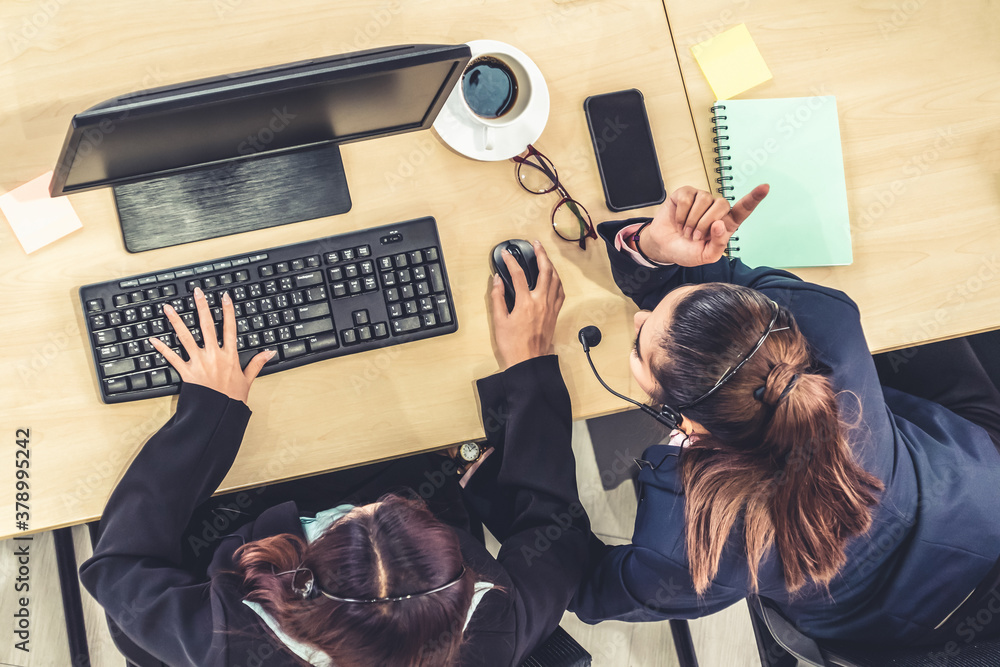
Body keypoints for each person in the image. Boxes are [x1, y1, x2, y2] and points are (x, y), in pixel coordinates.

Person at [80, 242, 589, 666]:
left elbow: (121, 567)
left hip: (238, 522)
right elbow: (558, 533)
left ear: (305, 593)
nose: (377, 502)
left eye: (352, 520)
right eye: (394, 511)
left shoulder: (233, 640)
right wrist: (530, 367)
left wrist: (206, 422)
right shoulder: (493, 628)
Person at [569, 184, 1000, 646]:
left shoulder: (700, 550)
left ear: (684, 417)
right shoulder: (821, 319)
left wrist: (525, 402)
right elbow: (721, 309)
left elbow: (589, 587)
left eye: (637, 347)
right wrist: (653, 252)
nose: (638, 320)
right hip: (976, 487)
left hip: (913, 638)